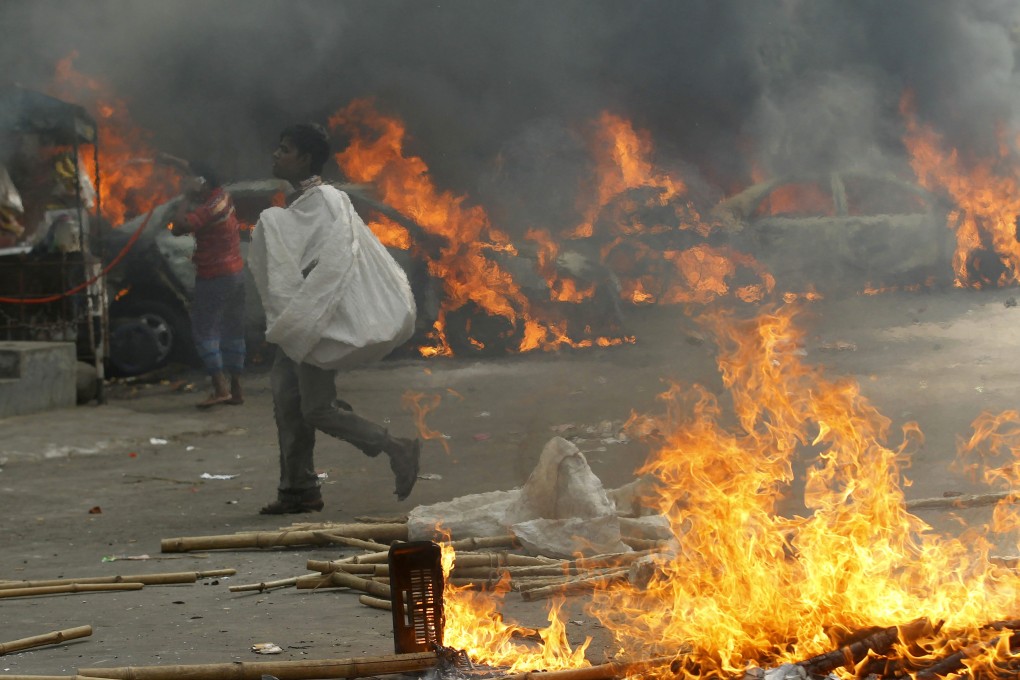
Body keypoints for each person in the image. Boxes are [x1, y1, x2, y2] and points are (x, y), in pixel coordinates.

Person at [248, 123, 420, 514]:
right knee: (287, 403)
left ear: (306, 158)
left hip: (315, 324)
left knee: (315, 409)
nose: (277, 154)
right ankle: (298, 490)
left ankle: (395, 447)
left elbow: (333, 262)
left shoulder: (325, 200)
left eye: (285, 149)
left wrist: (306, 305)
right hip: (299, 321)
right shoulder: (299, 203)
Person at [165, 157, 246, 408]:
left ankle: (220, 388)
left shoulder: (209, 207)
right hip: (235, 274)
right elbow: (196, 169)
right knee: (232, 330)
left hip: (214, 276)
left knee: (204, 330)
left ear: (202, 182)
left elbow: (178, 227)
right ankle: (236, 389)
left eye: (192, 179)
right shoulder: (223, 196)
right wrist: (173, 161)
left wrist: (185, 197)